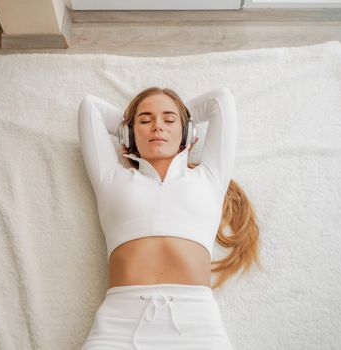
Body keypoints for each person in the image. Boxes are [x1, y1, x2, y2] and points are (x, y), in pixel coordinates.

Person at [77, 86, 261, 349]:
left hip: (196, 324)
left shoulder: (209, 178)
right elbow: (90, 105)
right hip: (119, 324)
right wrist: (129, 128)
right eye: (145, 120)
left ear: (188, 133)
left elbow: (221, 100)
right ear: (127, 134)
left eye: (169, 119)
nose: (157, 126)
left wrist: (182, 123)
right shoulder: (111, 179)